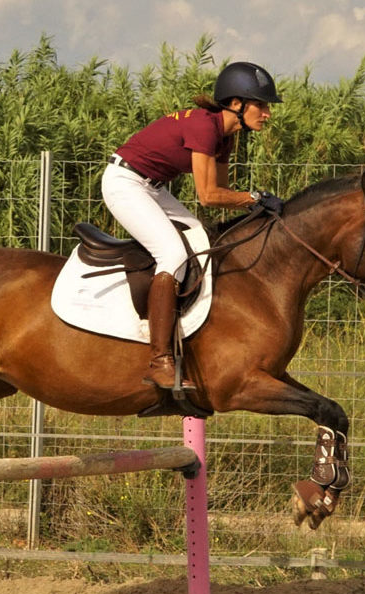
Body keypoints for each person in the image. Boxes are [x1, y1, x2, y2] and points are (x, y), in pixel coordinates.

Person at [102, 61, 284, 390]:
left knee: (199, 238)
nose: (268, 113)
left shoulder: (227, 138)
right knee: (172, 252)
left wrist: (252, 201)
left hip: (152, 187)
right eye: (262, 104)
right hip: (124, 182)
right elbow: (208, 196)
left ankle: (187, 331)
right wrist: (254, 197)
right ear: (236, 104)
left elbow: (226, 194)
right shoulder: (205, 127)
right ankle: (159, 361)